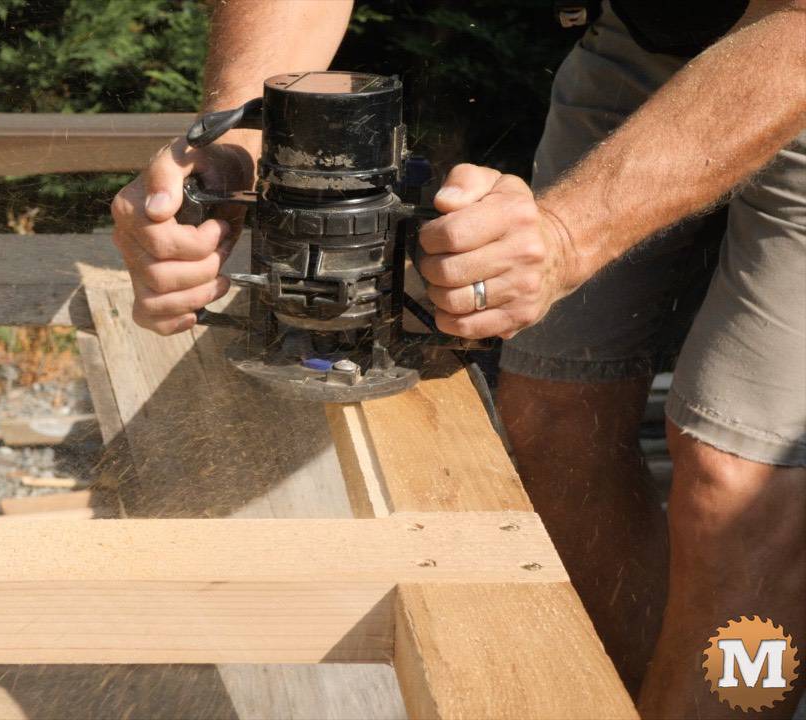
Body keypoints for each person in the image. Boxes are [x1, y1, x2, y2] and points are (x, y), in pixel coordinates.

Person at [109, 1, 806, 716]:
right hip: (656, 32)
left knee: (738, 477)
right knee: (554, 413)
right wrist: (239, 144)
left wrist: (564, 236)